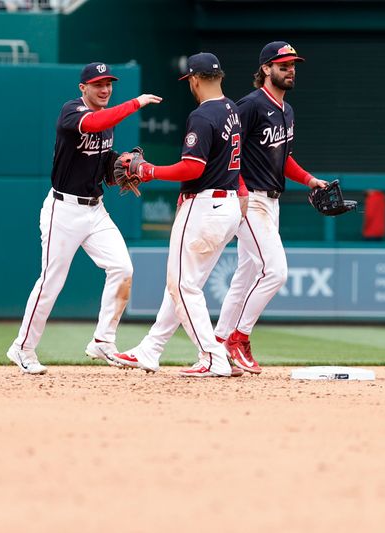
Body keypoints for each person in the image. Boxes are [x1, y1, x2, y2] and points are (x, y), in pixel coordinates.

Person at [5, 62, 162, 374]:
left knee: (122, 267)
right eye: (98, 84)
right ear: (83, 88)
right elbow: (93, 124)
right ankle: (22, 348)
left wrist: (125, 167)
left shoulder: (106, 121)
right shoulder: (71, 112)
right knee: (51, 281)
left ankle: (103, 340)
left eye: (108, 84)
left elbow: (105, 167)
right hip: (63, 210)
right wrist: (135, 103)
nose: (105, 89)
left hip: (95, 209)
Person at [112, 52, 243, 377]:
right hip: (225, 206)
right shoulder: (232, 109)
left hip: (204, 206)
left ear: (195, 80)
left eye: (190, 82)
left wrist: (148, 170)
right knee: (185, 285)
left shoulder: (203, 115)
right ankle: (150, 350)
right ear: (220, 76)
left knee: (183, 286)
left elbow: (193, 167)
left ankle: (213, 357)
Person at [213, 40, 327, 373]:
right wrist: (242, 192)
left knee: (245, 276)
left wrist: (309, 180)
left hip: (271, 202)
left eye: (292, 65)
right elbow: (227, 153)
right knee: (275, 271)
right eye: (283, 65)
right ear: (265, 69)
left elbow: (283, 157)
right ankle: (239, 336)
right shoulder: (248, 106)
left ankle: (218, 345)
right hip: (249, 200)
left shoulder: (286, 110)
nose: (290, 70)